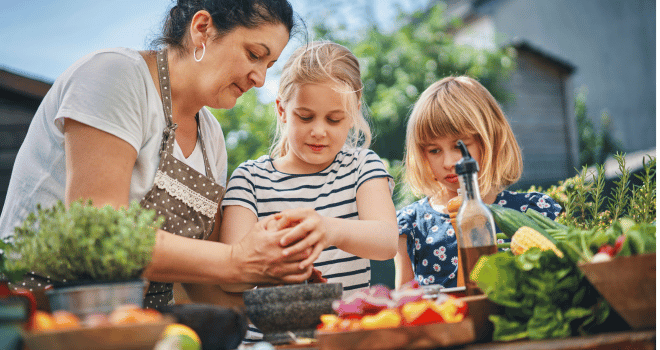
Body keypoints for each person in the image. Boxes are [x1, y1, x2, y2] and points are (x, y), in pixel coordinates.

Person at [0, 0, 317, 309]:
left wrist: (278, 283)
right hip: (38, 320)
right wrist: (239, 260)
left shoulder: (211, 138)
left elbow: (205, 280)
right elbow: (99, 239)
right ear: (202, 28)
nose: (260, 79)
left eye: (268, 65)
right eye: (254, 55)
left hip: (136, 328)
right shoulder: (115, 75)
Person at [219, 41, 399, 342]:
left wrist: (330, 229)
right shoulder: (250, 178)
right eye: (305, 116)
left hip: (344, 338)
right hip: (267, 343)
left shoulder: (361, 166)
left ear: (353, 112)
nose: (319, 131)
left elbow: (386, 240)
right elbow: (232, 276)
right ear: (282, 110)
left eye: (334, 119)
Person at [395, 76, 562, 290]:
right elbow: (404, 301)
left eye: (459, 146)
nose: (448, 162)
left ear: (490, 139)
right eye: (434, 150)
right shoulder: (411, 224)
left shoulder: (533, 211)